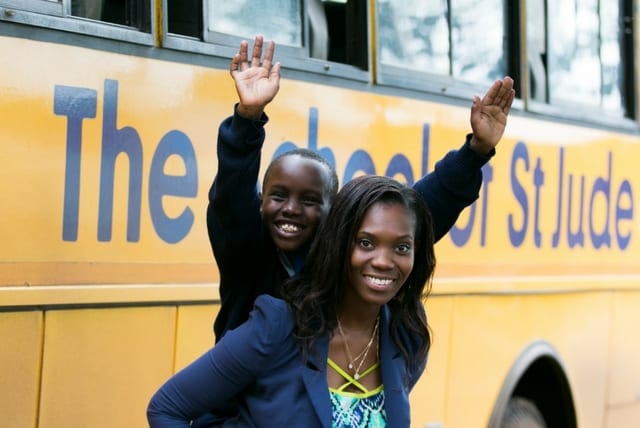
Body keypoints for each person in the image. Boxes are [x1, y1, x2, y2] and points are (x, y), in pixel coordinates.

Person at [207, 35, 515, 343]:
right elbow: (230, 197)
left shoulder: (345, 258)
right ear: (261, 202)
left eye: (310, 200)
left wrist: (476, 150)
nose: (291, 208)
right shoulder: (245, 251)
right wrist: (247, 118)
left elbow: (420, 211)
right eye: (279, 196)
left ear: (335, 212)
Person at [148, 175, 436, 427]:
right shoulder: (278, 327)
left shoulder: (408, 335)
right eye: (366, 243)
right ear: (338, 244)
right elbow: (167, 408)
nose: (384, 262)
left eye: (401, 247)